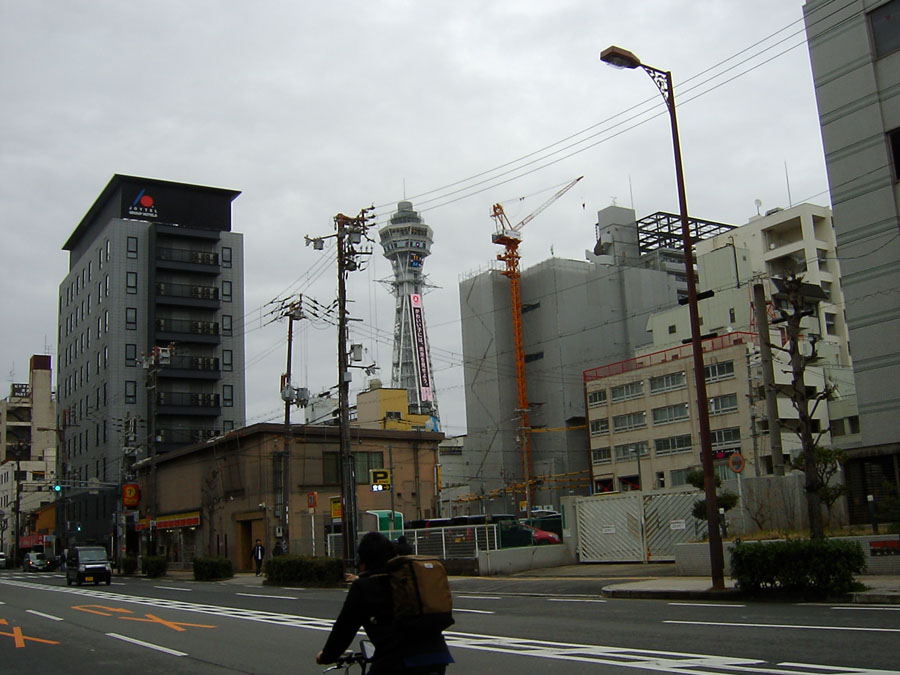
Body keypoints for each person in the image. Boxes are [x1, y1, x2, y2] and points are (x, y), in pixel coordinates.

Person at [316, 532, 453, 674]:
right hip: (437, 658)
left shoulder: (363, 587)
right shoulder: (407, 581)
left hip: (398, 661)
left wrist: (326, 656)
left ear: (363, 564)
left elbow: (344, 629)